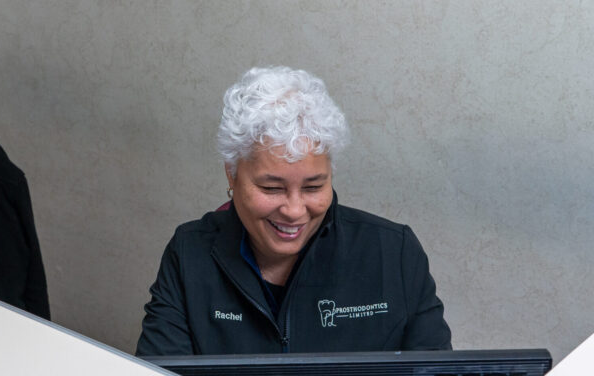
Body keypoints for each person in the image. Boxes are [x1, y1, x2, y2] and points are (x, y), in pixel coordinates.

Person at [136, 66, 451, 356]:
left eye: (313, 187)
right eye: (272, 188)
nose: (295, 210)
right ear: (232, 174)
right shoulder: (190, 254)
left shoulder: (394, 253)